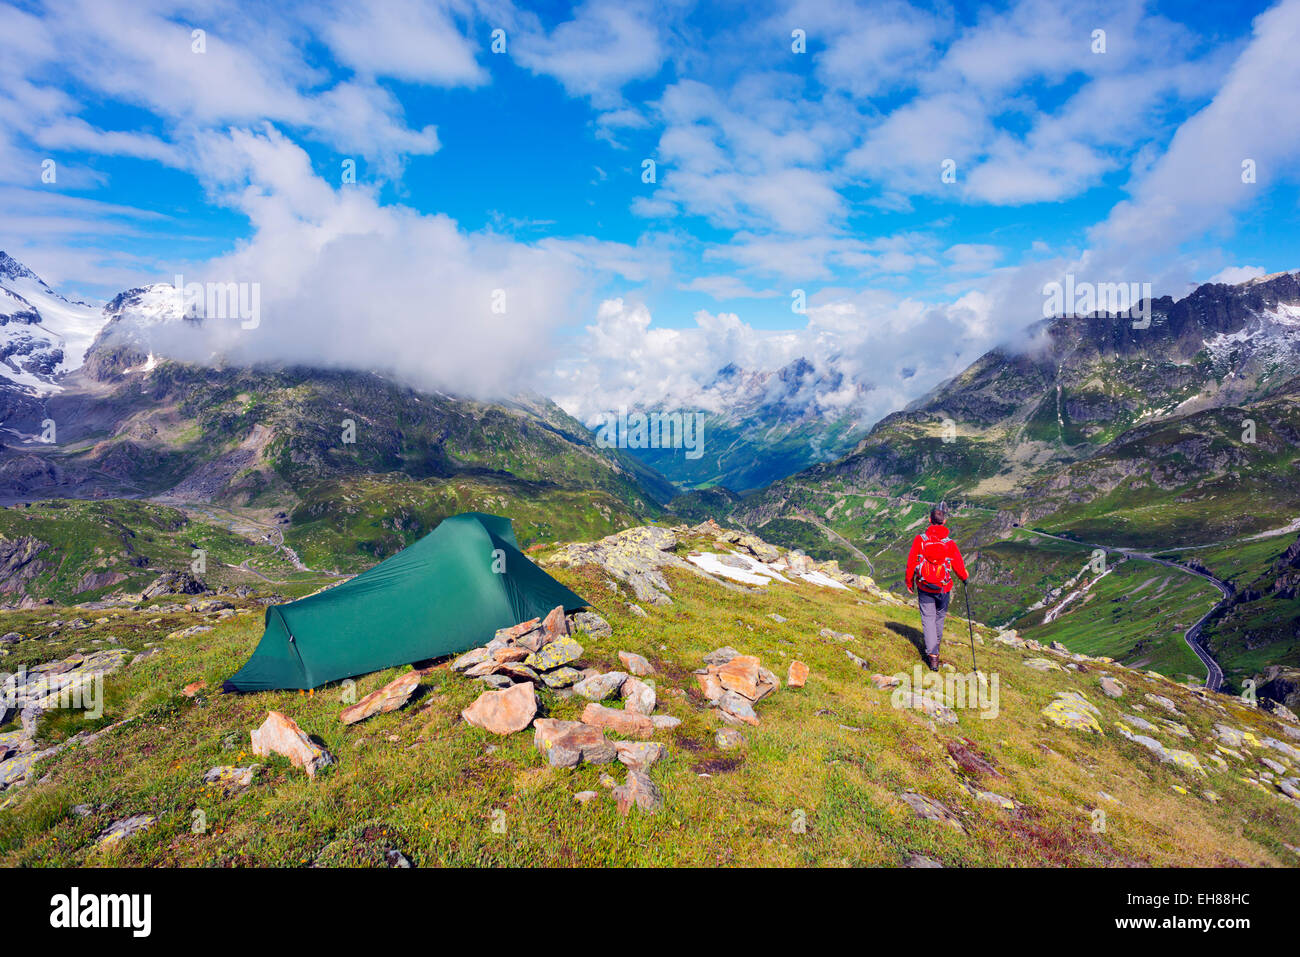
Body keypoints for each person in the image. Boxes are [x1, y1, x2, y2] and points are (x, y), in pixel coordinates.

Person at [905, 507, 969, 671]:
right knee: (939, 618)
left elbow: (912, 561)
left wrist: (909, 581)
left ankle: (933, 656)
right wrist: (964, 578)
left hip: (925, 586)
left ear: (929, 520)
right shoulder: (949, 543)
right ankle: (935, 645)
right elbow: (958, 566)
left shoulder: (920, 539)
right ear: (945, 522)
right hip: (943, 587)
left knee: (928, 618)